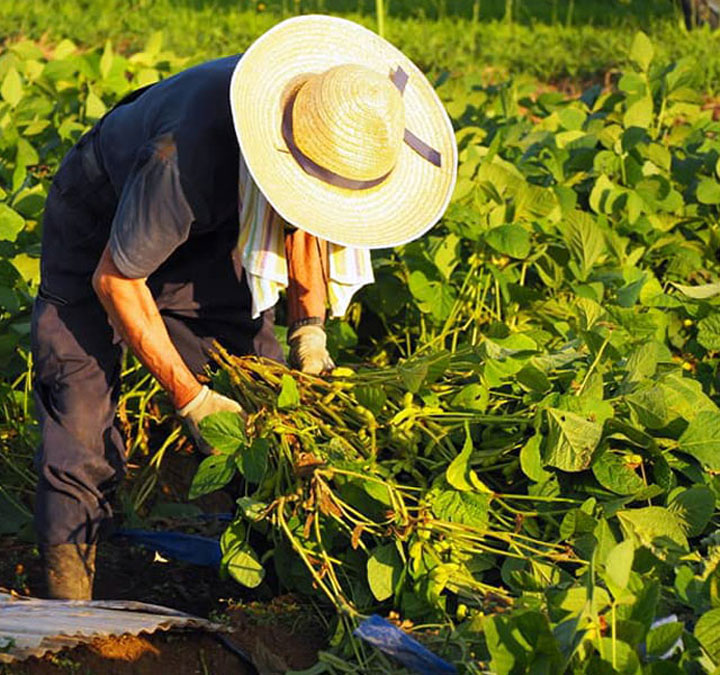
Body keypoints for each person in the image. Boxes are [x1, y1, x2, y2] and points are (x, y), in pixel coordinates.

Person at [31, 15, 457, 600]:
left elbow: (307, 219)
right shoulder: (180, 158)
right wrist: (191, 397)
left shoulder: (317, 123)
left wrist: (310, 331)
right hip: (101, 220)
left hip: (214, 223)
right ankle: (67, 593)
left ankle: (259, 582)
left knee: (257, 386)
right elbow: (117, 279)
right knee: (79, 398)